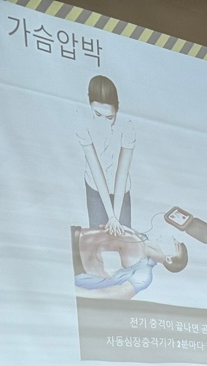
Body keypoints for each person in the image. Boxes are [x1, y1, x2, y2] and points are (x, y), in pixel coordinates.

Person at [78, 75, 134, 234]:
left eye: (110, 117)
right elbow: (96, 169)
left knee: (124, 237)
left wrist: (115, 217)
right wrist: (111, 216)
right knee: (98, 238)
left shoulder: (127, 126)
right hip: (95, 187)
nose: (103, 123)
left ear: (117, 109)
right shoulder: (82, 124)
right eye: (97, 115)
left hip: (121, 190)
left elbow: (122, 172)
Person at [74, 226, 188, 300]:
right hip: (75, 233)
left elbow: (114, 294)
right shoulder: (142, 236)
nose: (171, 237)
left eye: (174, 243)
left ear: (169, 259)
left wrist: (72, 292)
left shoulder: (143, 275)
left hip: (77, 262)